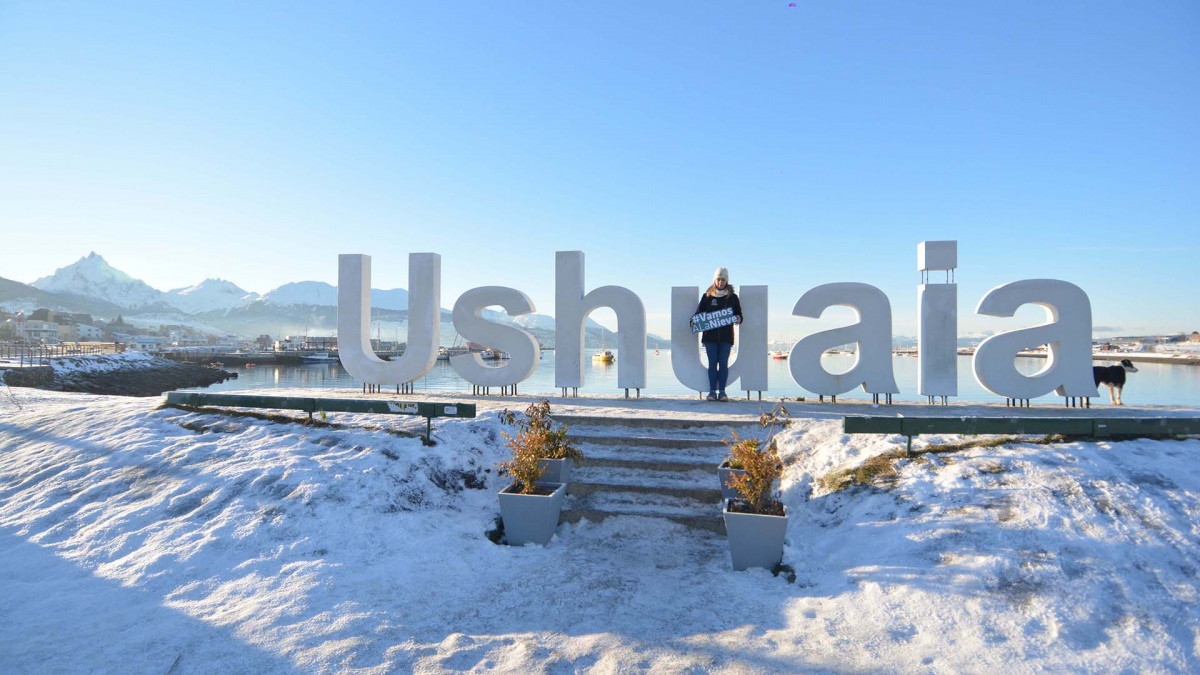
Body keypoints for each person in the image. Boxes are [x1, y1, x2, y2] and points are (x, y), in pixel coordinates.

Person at [697, 267, 742, 401]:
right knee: (712, 364)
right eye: (718, 279)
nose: (721, 282)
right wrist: (694, 321)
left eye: (723, 279)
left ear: (726, 281)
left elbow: (739, 313)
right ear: (715, 280)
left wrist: (739, 318)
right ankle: (711, 392)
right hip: (710, 337)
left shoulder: (733, 297)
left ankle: (722, 392)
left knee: (723, 363)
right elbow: (699, 313)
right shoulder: (707, 296)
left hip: (726, 337)